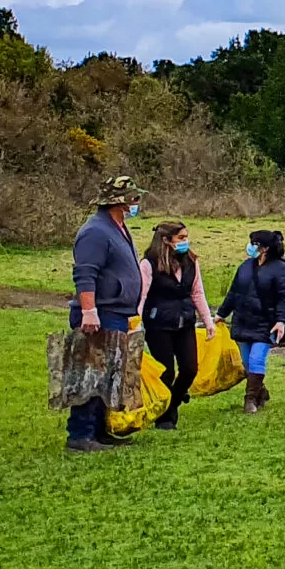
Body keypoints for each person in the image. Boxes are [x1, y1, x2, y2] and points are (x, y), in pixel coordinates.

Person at [56, 176, 151, 453]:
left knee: (108, 376)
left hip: (117, 312)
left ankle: (99, 431)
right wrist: (89, 310)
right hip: (101, 313)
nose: (137, 203)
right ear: (119, 202)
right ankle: (80, 435)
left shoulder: (117, 227)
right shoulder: (95, 232)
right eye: (133, 198)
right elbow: (85, 273)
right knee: (91, 374)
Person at [137, 220, 218, 430]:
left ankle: (172, 402)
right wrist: (136, 323)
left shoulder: (191, 261)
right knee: (166, 371)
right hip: (159, 324)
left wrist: (208, 320)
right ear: (166, 240)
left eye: (186, 237)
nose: (185, 242)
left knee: (190, 368)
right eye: (180, 238)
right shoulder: (148, 264)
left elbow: (197, 292)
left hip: (186, 321)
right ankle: (164, 417)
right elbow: (142, 295)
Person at [216, 229, 285, 415]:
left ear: (265, 248)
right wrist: (221, 314)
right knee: (247, 364)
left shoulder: (281, 270)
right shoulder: (245, 266)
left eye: (254, 244)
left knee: (257, 359)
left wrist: (281, 321)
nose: (250, 247)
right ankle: (261, 391)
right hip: (242, 321)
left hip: (265, 323)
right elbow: (233, 293)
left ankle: (250, 399)